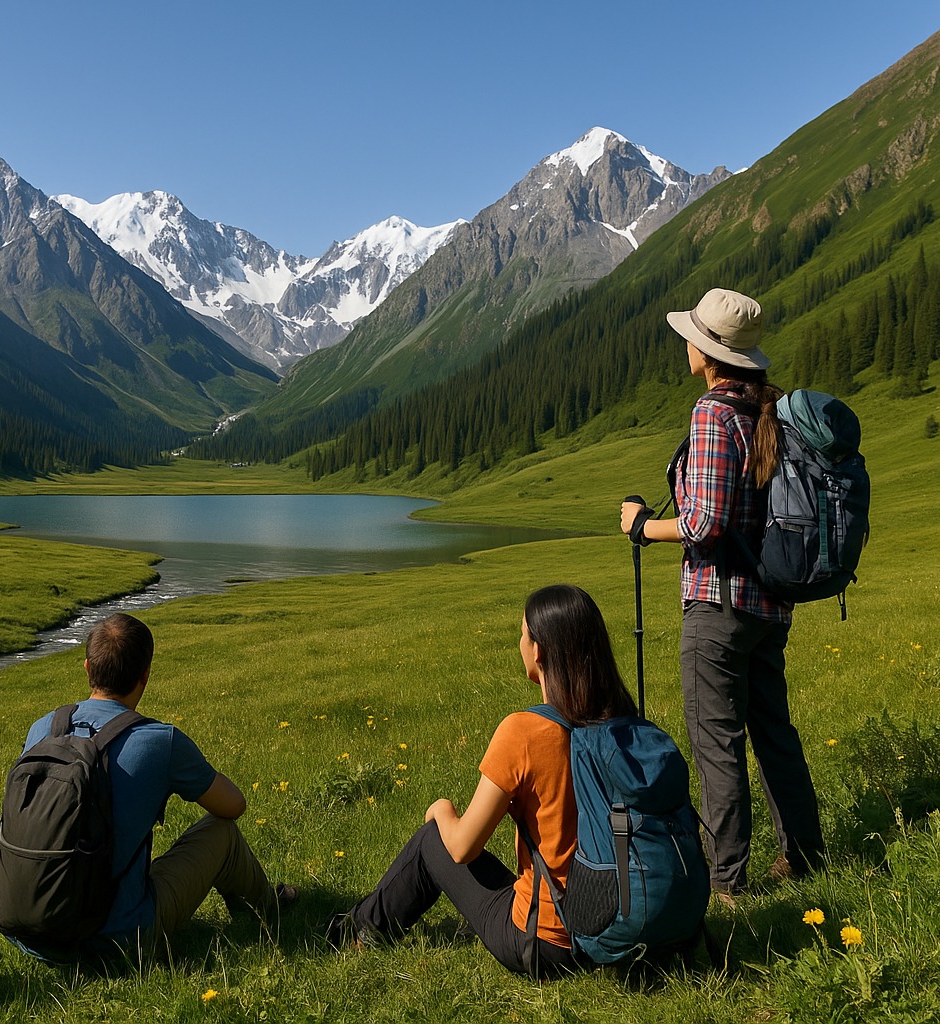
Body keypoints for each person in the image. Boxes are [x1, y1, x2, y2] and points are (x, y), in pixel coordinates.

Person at [619, 287, 826, 900]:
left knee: (717, 743)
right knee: (773, 734)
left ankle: (727, 881)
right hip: (769, 604)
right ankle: (805, 855)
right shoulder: (768, 408)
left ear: (709, 354)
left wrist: (641, 526)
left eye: (692, 337)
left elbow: (704, 522)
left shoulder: (713, 413)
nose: (685, 344)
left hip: (719, 603)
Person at [326, 584, 638, 976]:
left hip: (549, 943)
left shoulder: (524, 732)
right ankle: (360, 925)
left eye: (522, 633)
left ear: (537, 651)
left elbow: (462, 848)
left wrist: (442, 810)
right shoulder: (626, 726)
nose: (520, 641)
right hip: (620, 928)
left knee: (433, 841)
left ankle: (357, 932)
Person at [12, 612, 293, 959]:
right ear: (145, 676)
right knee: (222, 834)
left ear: (87, 668)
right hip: (115, 941)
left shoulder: (42, 729)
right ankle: (266, 912)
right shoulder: (159, 741)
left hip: (28, 932)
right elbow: (233, 806)